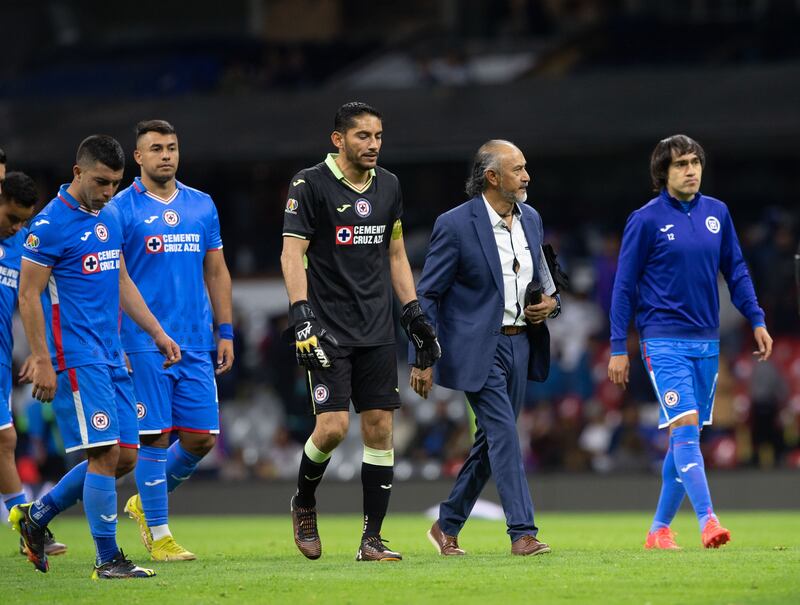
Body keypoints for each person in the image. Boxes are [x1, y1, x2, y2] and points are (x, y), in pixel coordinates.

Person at [12, 134, 181, 579]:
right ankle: (108, 559)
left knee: (125, 456)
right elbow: (29, 296)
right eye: (102, 182)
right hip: (78, 356)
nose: (109, 192)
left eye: (115, 183)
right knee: (105, 453)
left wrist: (158, 333)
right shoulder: (48, 226)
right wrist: (43, 360)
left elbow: (122, 279)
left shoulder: (110, 216)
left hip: (113, 352)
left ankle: (36, 517)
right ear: (78, 173)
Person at [281, 101, 438, 562]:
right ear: (339, 139)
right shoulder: (309, 184)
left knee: (380, 429)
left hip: (376, 329)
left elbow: (395, 255)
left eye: (378, 137)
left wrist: (413, 314)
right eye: (363, 136)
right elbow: (292, 255)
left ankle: (372, 539)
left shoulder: (388, 185)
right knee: (330, 429)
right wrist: (301, 315)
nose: (373, 145)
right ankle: (304, 502)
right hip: (328, 329)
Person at [607, 134, 772, 549]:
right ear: (663, 172)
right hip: (662, 340)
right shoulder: (644, 220)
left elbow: (736, 272)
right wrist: (616, 347)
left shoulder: (718, 213)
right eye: (681, 163)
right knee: (683, 429)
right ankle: (708, 521)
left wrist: (756, 318)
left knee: (687, 439)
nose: (692, 169)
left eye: (695, 161)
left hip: (706, 341)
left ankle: (658, 530)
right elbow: (624, 287)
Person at [412, 139, 559, 557]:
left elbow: (546, 279)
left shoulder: (531, 218)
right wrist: (422, 355)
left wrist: (551, 304)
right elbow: (429, 295)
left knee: (493, 442)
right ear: (492, 177)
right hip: (479, 348)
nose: (527, 176)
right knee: (505, 436)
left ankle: (447, 524)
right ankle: (522, 533)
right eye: (518, 169)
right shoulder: (455, 224)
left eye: (526, 167)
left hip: (521, 345)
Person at [111, 119, 234, 561]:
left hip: (197, 340)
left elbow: (216, 271)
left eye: (173, 147)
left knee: (202, 438)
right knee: (155, 438)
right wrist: (143, 335)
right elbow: (119, 279)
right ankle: (160, 534)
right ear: (138, 157)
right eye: (156, 148)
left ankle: (146, 501)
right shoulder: (121, 208)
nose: (166, 155)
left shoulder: (202, 205)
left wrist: (225, 330)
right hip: (144, 342)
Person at [1, 169, 68, 557]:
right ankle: (28, 526)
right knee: (5, 439)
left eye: (25, 220)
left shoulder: (21, 247)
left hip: (2, 358)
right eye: (12, 218)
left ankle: (27, 527)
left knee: (5, 440)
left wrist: (37, 352)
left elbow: (34, 299)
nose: (18, 227)